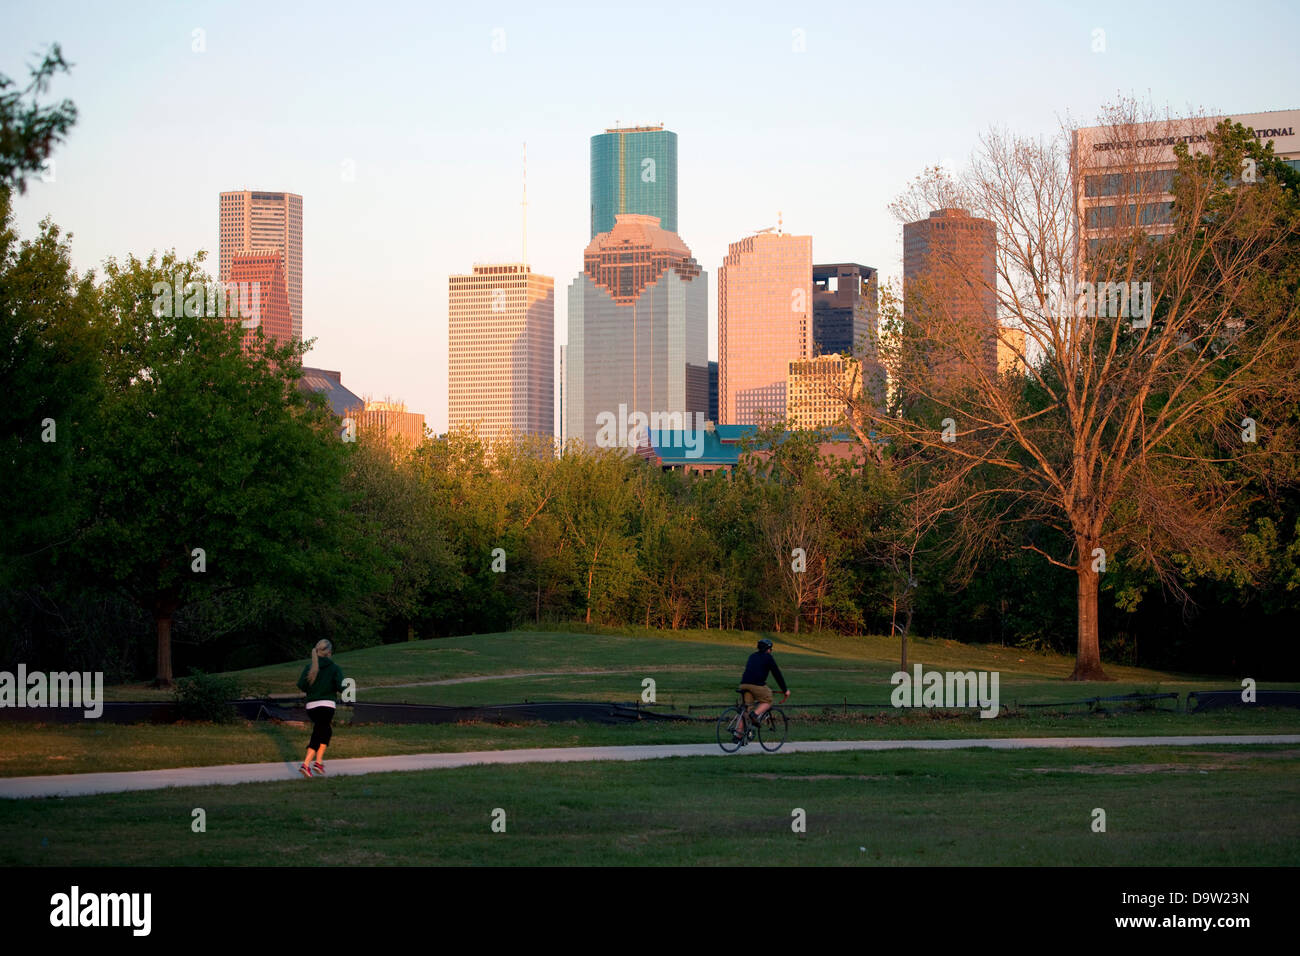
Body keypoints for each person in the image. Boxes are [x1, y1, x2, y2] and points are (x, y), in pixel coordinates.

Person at [297, 639, 344, 778]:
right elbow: (341, 687)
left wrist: (313, 688)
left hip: (311, 707)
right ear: (329, 652)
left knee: (326, 731)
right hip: (326, 705)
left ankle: (318, 762)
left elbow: (301, 685)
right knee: (319, 733)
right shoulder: (334, 668)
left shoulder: (309, 667)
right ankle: (305, 765)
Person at [737, 638, 789, 739]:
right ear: (768, 649)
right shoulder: (768, 657)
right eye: (771, 649)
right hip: (757, 685)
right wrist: (785, 690)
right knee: (768, 700)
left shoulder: (752, 656)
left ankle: (738, 735)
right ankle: (755, 715)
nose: (771, 651)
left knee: (746, 709)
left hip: (744, 684)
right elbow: (777, 674)